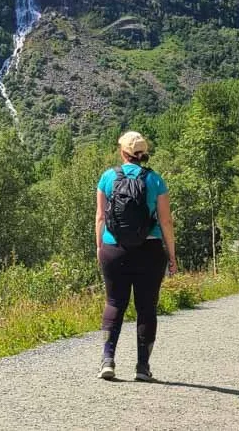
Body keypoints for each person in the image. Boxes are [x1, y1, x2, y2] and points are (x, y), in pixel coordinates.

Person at [95, 130, 177, 382]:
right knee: (146, 308)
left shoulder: (108, 178)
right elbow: (166, 222)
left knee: (114, 303)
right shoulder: (155, 180)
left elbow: (100, 217)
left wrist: (100, 247)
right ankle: (142, 367)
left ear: (123, 152)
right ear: (143, 154)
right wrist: (171, 256)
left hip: (113, 248)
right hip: (149, 250)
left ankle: (107, 360)